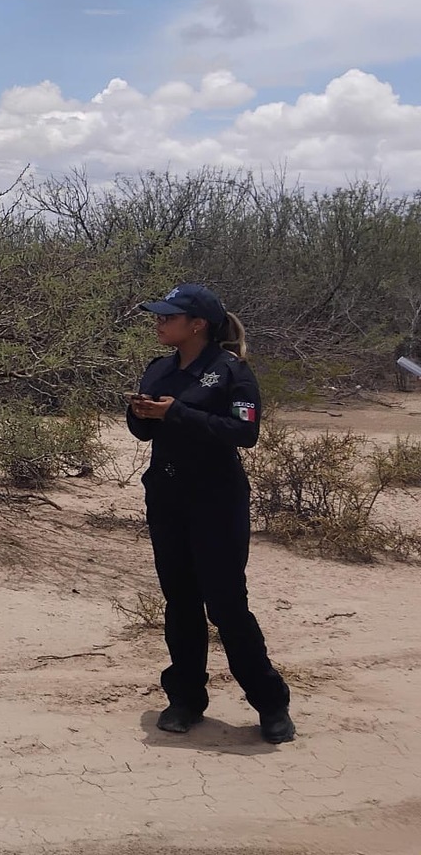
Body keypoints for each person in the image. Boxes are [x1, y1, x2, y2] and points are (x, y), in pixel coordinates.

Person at [128, 283, 294, 744]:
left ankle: (270, 703)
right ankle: (184, 699)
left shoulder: (230, 371)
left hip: (216, 501)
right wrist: (141, 413)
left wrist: (176, 414)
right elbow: (145, 432)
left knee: (225, 605)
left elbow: (244, 433)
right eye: (158, 316)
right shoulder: (159, 368)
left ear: (197, 324)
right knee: (180, 601)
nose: (159, 322)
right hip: (168, 498)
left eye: (168, 317)